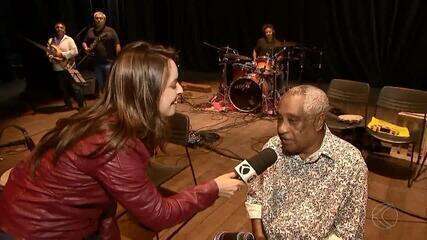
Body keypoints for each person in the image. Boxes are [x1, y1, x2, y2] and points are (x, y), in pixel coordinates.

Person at [0, 41, 244, 239]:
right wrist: (213, 188)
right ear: (145, 91)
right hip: (32, 230)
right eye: (173, 84)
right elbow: (157, 214)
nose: (180, 90)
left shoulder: (112, 119)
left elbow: (104, 202)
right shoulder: (113, 142)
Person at [245, 85, 368, 240]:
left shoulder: (350, 163)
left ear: (318, 121)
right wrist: (259, 235)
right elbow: (255, 195)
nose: (281, 129)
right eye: (279, 119)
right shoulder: (272, 147)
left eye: (292, 120)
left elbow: (347, 233)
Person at [82, 11, 121, 97]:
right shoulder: (90, 31)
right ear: (94, 19)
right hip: (96, 63)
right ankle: (105, 103)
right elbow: (84, 42)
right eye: (97, 18)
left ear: (104, 20)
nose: (99, 20)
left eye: (101, 18)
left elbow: (117, 44)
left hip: (109, 62)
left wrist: (119, 58)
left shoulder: (110, 31)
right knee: (101, 84)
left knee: (110, 84)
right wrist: (85, 48)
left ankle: (113, 102)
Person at [47, 22, 84, 110]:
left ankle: (81, 106)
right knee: (63, 89)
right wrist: (52, 58)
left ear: (64, 29)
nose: (59, 28)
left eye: (61, 27)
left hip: (70, 66)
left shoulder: (69, 39)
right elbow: (48, 53)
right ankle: (68, 105)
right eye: (57, 27)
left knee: (76, 87)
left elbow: (75, 52)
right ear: (55, 29)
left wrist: (62, 54)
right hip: (58, 68)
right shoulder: (51, 40)